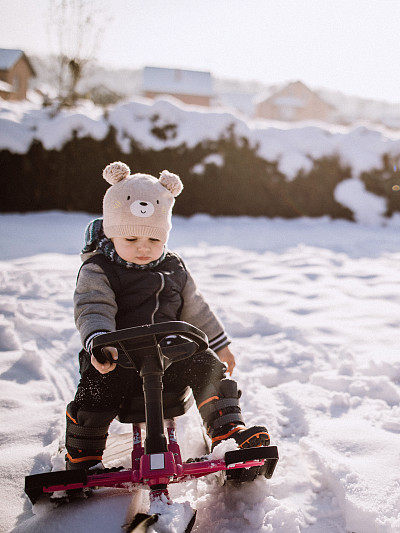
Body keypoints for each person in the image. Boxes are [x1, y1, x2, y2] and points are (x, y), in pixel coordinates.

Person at [64, 161, 269, 471]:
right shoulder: (99, 270)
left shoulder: (173, 268)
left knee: (207, 367)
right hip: (117, 359)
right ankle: (83, 455)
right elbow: (93, 308)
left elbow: (196, 308)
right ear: (113, 234)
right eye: (131, 240)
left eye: (154, 241)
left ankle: (227, 433)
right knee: (95, 386)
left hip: (171, 357)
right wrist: (100, 344)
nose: (144, 249)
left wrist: (221, 345)